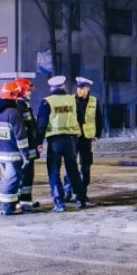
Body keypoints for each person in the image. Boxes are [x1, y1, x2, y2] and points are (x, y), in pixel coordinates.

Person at [36, 75, 87, 212]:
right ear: (63, 86)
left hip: (54, 142)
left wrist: (39, 142)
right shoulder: (73, 100)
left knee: (54, 172)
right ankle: (81, 199)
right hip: (71, 141)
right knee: (73, 170)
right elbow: (81, 119)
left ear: (51, 88)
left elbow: (41, 124)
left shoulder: (47, 102)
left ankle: (59, 202)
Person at [0, 82, 31, 216]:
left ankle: (3, 207)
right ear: (13, 96)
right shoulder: (13, 113)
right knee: (12, 182)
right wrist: (25, 155)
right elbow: (21, 137)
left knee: (5, 181)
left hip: (1, 155)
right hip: (13, 155)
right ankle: (8, 208)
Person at [63, 77, 103, 203]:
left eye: (82, 88)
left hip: (86, 138)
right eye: (78, 88)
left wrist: (97, 134)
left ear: (87, 89)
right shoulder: (70, 100)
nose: (79, 91)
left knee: (85, 166)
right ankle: (67, 192)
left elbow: (99, 119)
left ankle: (82, 194)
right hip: (73, 137)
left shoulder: (94, 101)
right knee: (70, 166)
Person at [15, 77, 40, 208]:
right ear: (21, 91)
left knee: (28, 174)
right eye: (28, 90)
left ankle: (26, 198)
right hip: (24, 149)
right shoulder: (18, 106)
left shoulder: (24, 105)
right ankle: (20, 200)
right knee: (24, 174)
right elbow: (21, 130)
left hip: (29, 148)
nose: (30, 93)